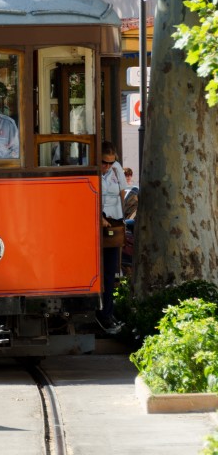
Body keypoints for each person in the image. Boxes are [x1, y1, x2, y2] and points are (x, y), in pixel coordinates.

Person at [97, 140, 127, 335]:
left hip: (113, 223)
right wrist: (98, 216)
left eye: (111, 162)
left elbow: (122, 192)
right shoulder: (92, 170)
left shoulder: (116, 169)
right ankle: (99, 312)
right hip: (96, 222)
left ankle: (107, 313)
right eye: (104, 162)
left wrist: (120, 217)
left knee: (110, 272)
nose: (107, 166)